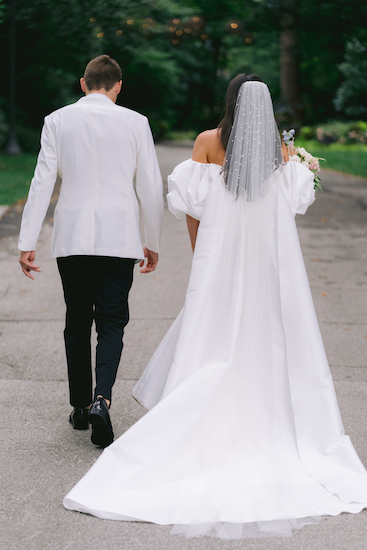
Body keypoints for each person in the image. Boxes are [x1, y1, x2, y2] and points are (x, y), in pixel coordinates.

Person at [63, 75, 367, 539]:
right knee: (267, 332)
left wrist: (200, 251)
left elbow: (192, 205)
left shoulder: (208, 142)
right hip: (266, 264)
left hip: (220, 259)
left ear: (229, 101)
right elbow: (291, 205)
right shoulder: (283, 153)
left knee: (213, 330)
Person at [18, 55, 164, 449]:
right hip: (119, 239)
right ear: (118, 86)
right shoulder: (136, 123)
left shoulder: (57, 120)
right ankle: (103, 398)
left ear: (83, 84)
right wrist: (153, 240)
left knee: (78, 320)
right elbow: (150, 187)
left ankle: (80, 407)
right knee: (113, 321)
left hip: (73, 237)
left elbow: (41, 181)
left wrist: (26, 241)